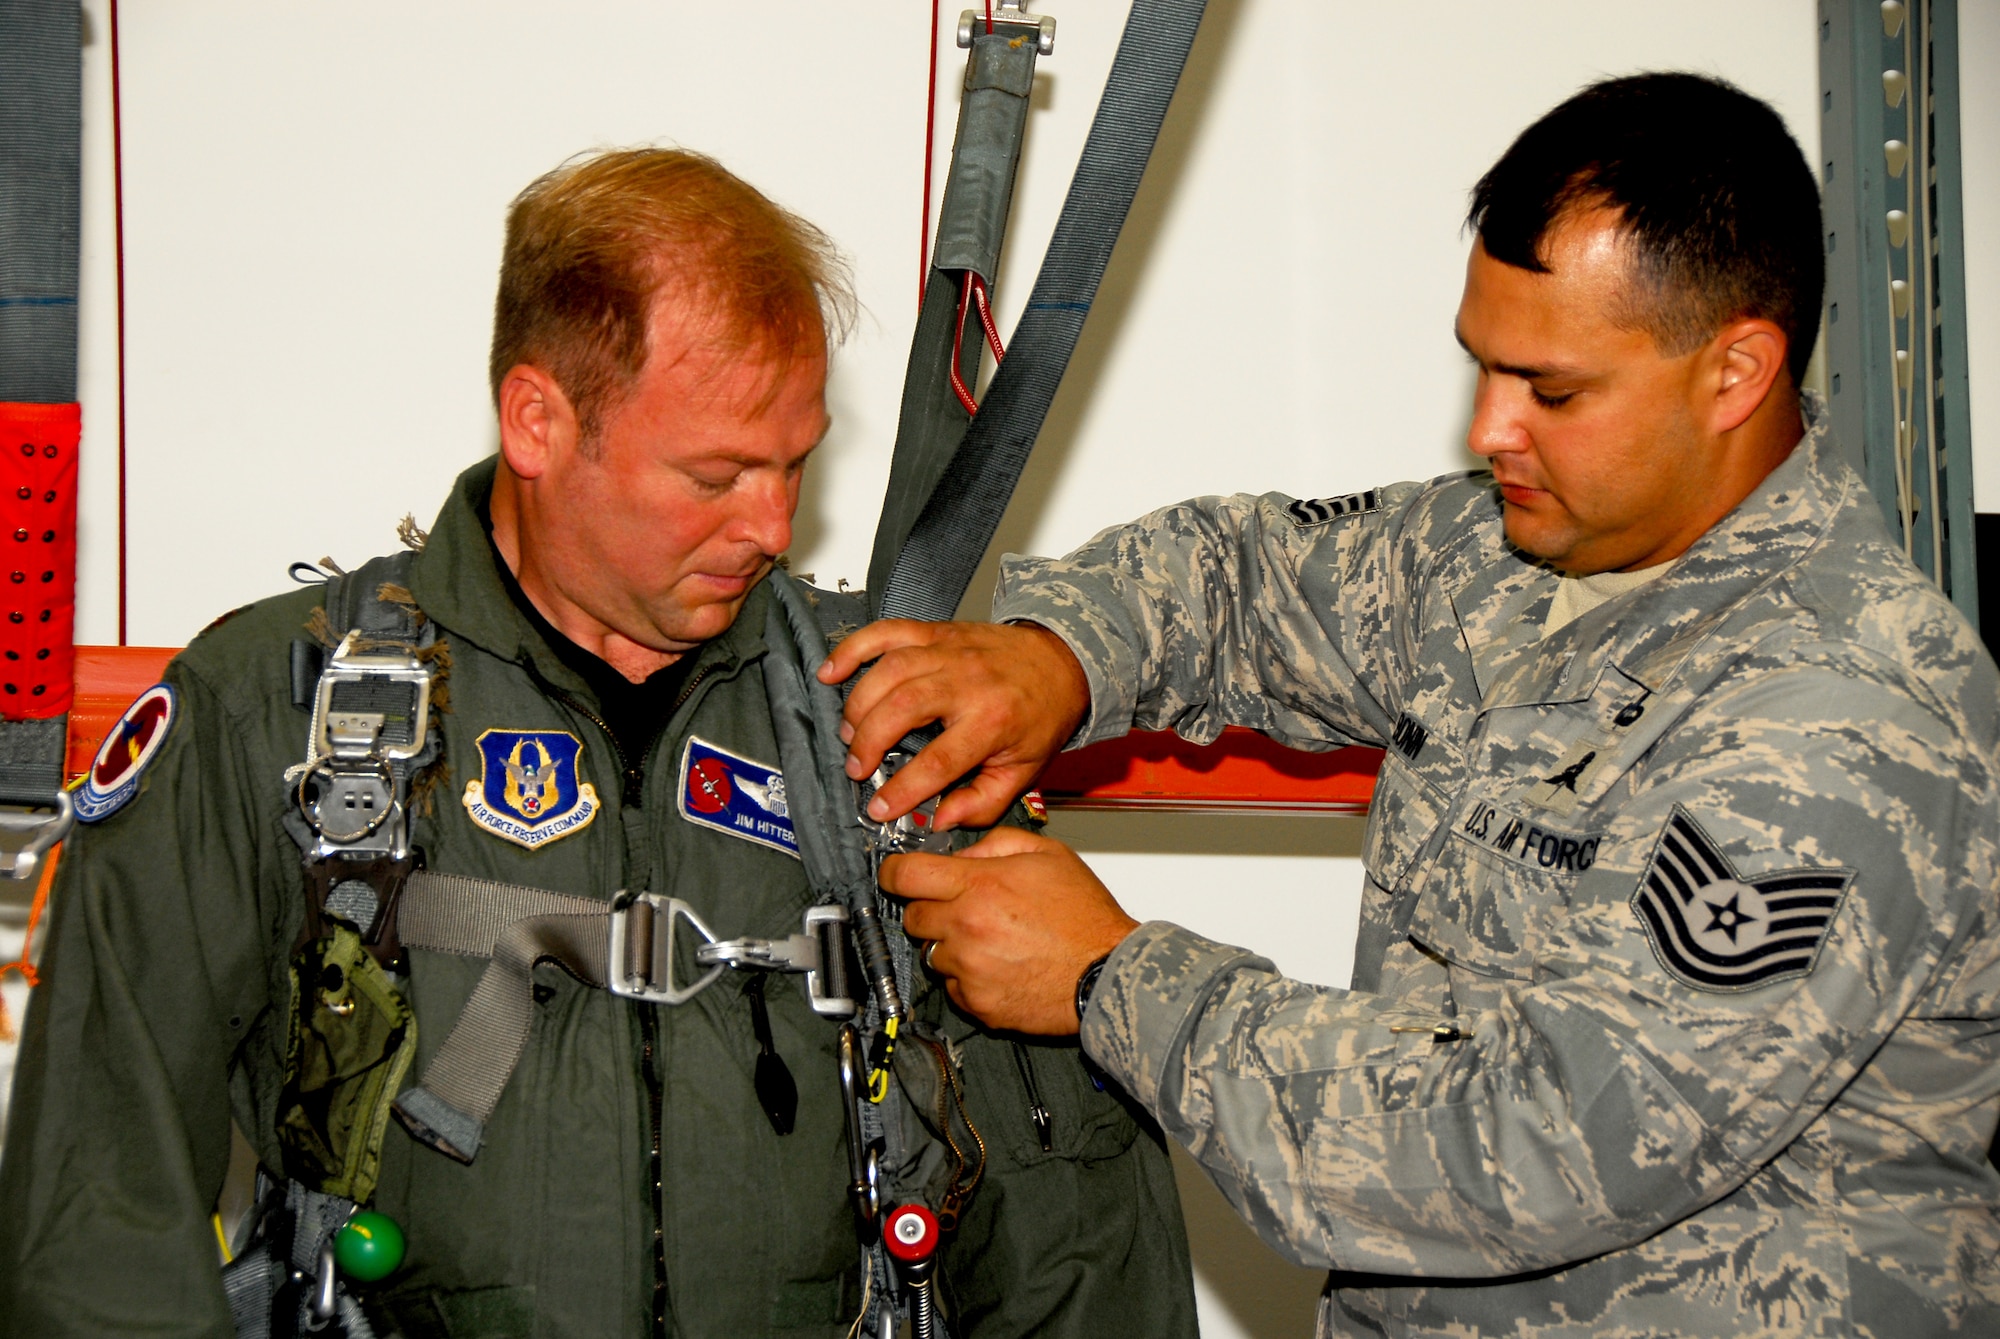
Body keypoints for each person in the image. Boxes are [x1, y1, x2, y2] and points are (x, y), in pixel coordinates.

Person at [824, 73, 2000, 1335]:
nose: (1488, 428)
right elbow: (1239, 575)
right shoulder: (1501, 555)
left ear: (1735, 372)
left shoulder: (1841, 721)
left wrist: (1111, 976)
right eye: (1479, 368)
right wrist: (1055, 654)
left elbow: (1531, 1141)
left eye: (1548, 390)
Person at [0, 148, 1196, 1337]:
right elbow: (100, 1210)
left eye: (795, 464)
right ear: (539, 420)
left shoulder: (888, 717)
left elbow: (1070, 1228)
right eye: (717, 473)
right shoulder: (277, 710)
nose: (772, 524)